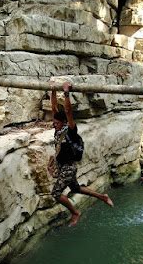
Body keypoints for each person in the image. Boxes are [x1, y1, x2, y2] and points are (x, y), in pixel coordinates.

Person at [48, 80, 114, 227]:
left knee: (56, 194)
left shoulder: (70, 129)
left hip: (68, 168)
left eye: (57, 123)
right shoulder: (58, 130)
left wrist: (66, 93)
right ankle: (102, 196)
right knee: (76, 189)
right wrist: (52, 91)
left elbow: (68, 112)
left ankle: (75, 212)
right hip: (64, 166)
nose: (54, 124)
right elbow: (54, 109)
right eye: (54, 123)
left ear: (64, 122)